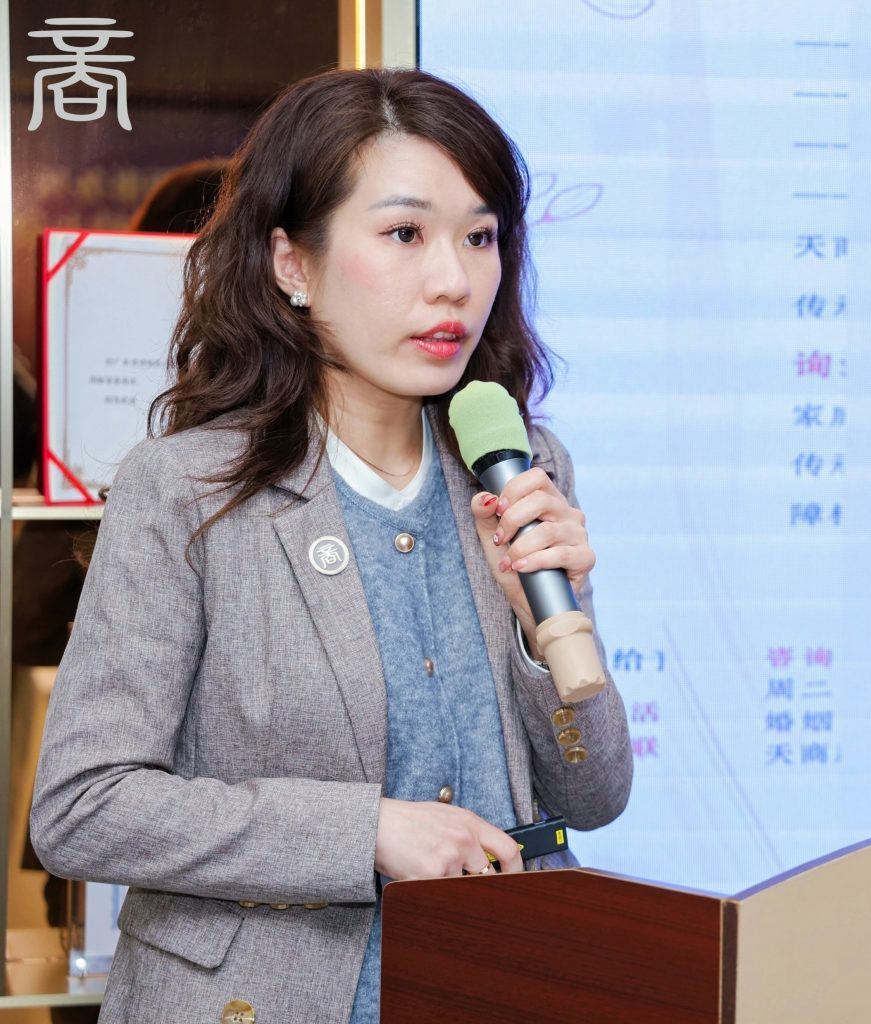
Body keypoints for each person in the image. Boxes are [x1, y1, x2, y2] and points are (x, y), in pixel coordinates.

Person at [29, 68, 633, 1024]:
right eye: (405, 235)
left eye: (480, 238)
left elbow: (594, 794)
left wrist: (534, 634)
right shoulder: (187, 489)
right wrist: (365, 832)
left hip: (499, 983)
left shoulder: (519, 464)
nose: (453, 279)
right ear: (292, 265)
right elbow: (83, 807)